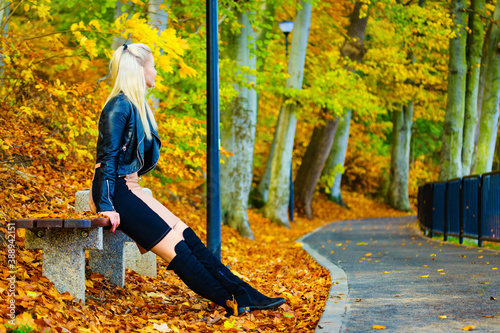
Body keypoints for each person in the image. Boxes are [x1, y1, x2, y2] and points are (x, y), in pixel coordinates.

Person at [89, 43, 285, 316]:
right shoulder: (118, 106)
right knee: (179, 252)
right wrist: (106, 205)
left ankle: (244, 293)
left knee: (189, 240)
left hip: (129, 188)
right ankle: (231, 303)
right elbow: (107, 159)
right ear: (140, 69)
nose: (156, 71)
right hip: (117, 192)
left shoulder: (136, 105)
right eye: (153, 65)